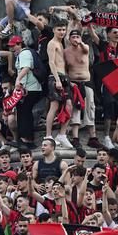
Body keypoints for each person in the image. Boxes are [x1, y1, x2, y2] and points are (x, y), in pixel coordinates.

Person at [64, 29, 100, 149]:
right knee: (76, 109)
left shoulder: (85, 48)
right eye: (73, 37)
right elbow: (64, 69)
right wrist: (68, 83)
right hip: (73, 82)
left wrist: (80, 42)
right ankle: (75, 138)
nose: (75, 39)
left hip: (86, 81)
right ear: (69, 39)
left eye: (77, 37)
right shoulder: (66, 52)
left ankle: (93, 137)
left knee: (90, 107)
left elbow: (85, 48)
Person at [9, 36, 44, 149]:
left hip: (28, 88)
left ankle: (26, 140)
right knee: (25, 112)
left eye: (13, 46)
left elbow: (25, 68)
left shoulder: (24, 53)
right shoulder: (27, 53)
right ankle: (27, 139)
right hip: (31, 88)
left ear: (20, 44)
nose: (12, 49)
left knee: (23, 113)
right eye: (10, 46)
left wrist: (18, 82)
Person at [45, 19, 74, 148]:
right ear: (54, 30)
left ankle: (62, 135)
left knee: (69, 106)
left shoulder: (61, 44)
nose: (62, 32)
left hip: (64, 77)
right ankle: (48, 135)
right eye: (59, 30)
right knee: (54, 106)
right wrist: (57, 79)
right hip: (55, 77)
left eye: (63, 29)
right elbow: (51, 62)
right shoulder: (52, 43)